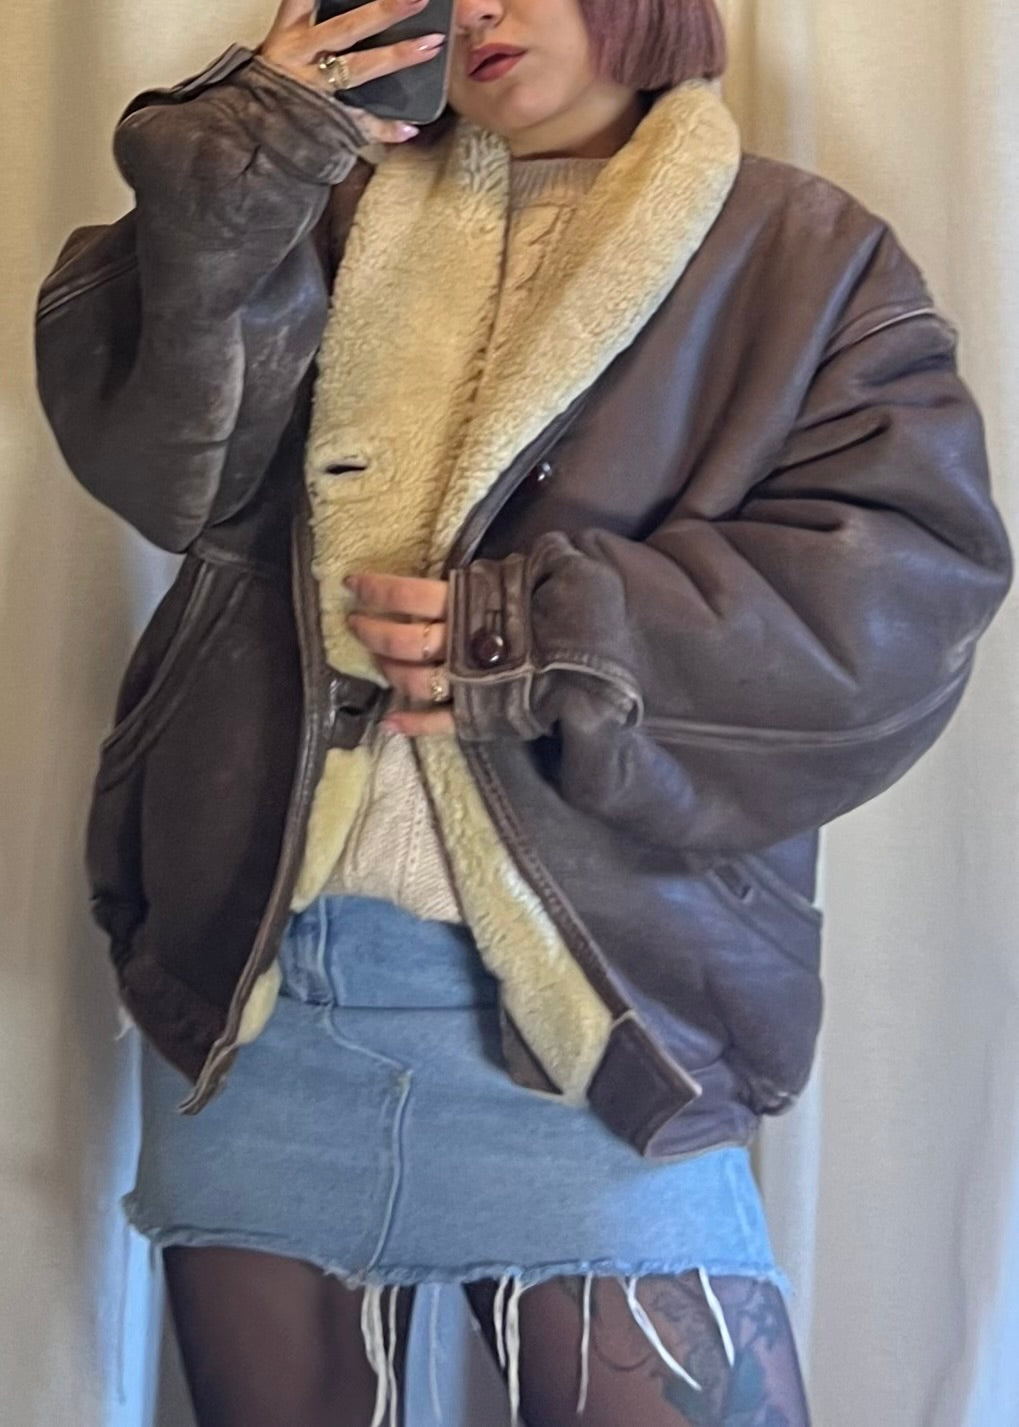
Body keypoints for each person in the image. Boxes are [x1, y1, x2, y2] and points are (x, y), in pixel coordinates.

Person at [34, 0, 1012, 1423]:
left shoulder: (803, 253)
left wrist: (548, 639)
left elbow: (903, 599)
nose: (484, 7)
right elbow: (155, 470)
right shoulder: (320, 211)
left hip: (595, 1025)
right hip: (263, 997)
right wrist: (255, 149)